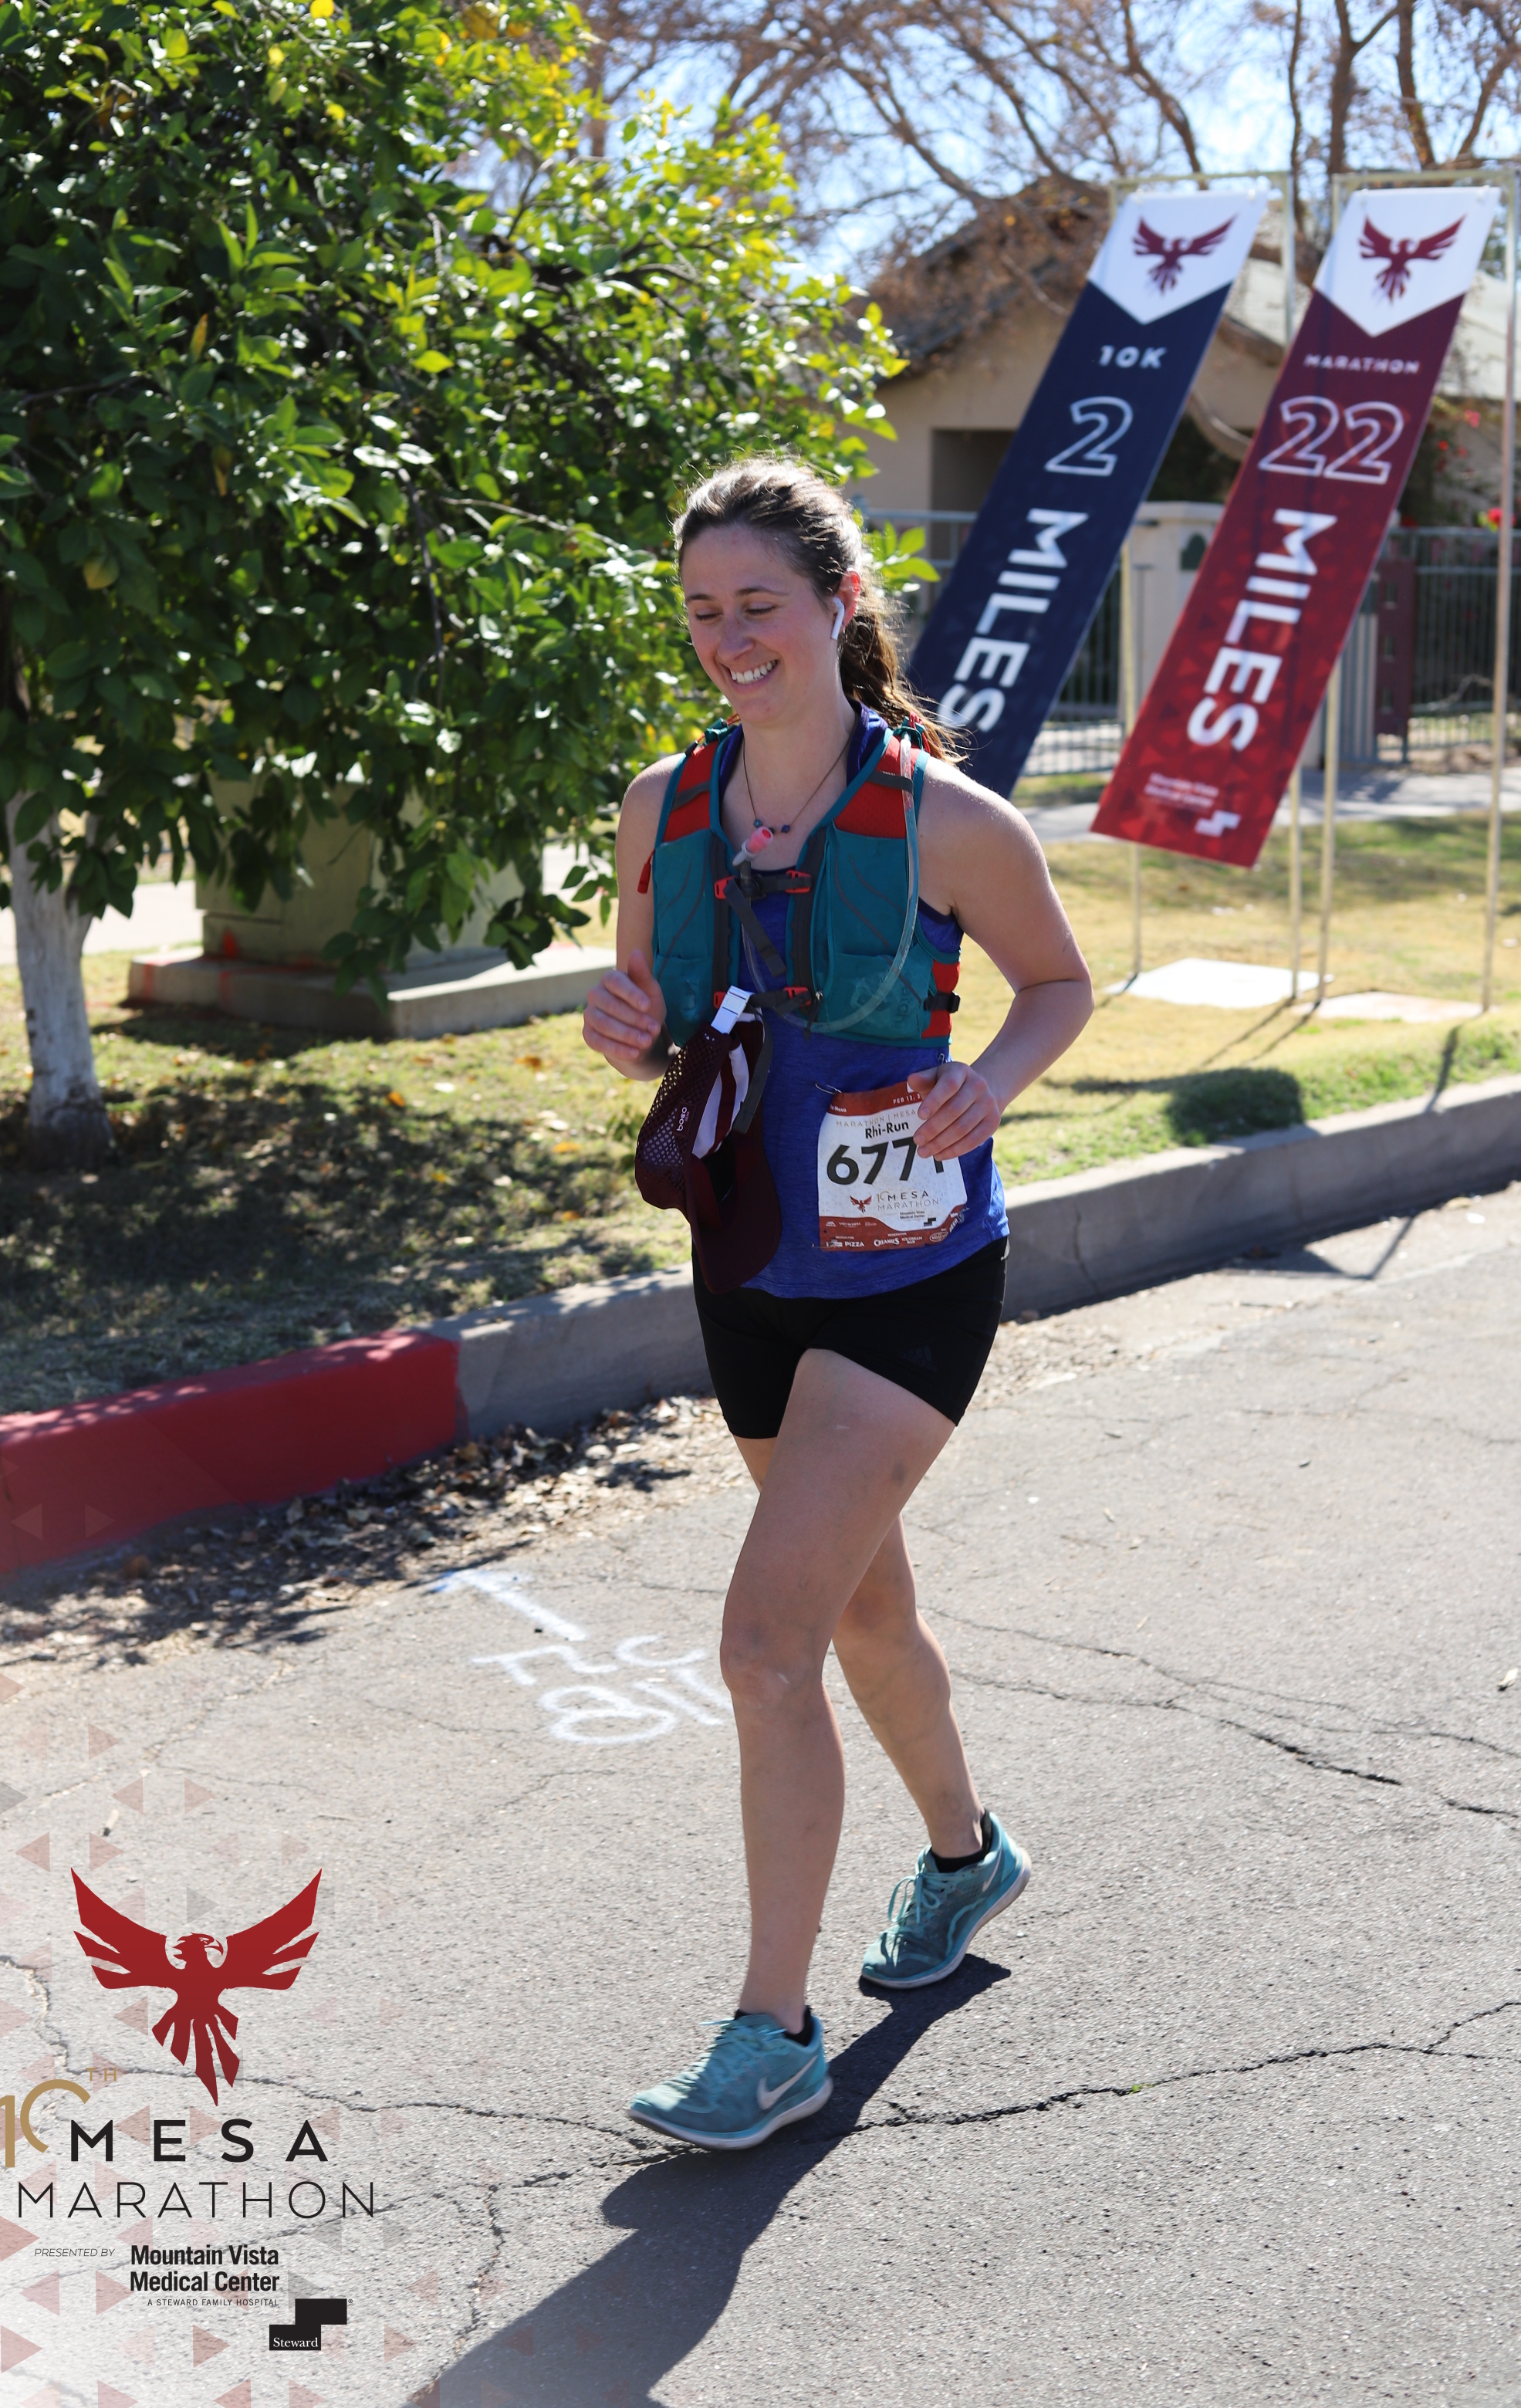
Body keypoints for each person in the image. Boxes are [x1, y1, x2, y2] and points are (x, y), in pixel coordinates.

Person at [581, 456, 1093, 2149]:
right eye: (702, 612)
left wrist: (988, 1086)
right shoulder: (662, 804)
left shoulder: (948, 819)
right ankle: (967, 1858)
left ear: (838, 602)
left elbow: (1058, 983)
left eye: (761, 605)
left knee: (764, 1643)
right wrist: (622, 1022)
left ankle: (772, 2033)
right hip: (747, 1261)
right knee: (863, 1617)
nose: (731, 639)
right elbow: (656, 1011)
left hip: (909, 1273)